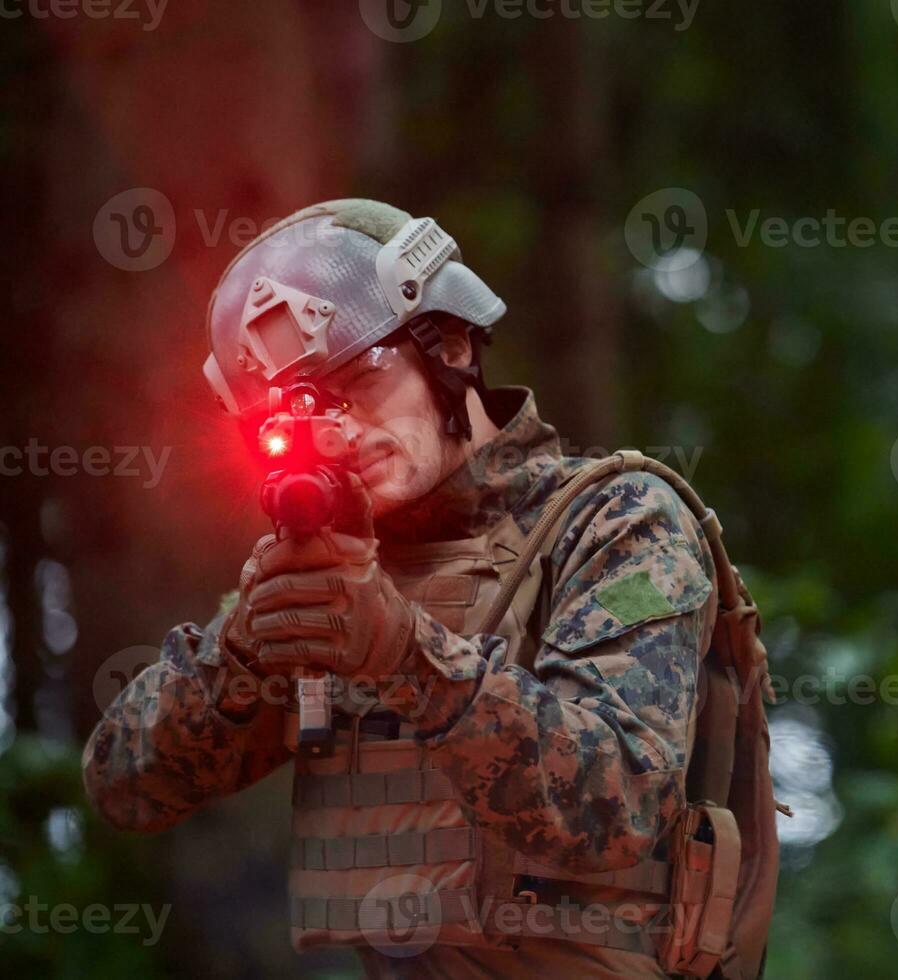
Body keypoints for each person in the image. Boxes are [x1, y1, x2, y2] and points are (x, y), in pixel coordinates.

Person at [82, 199, 724, 978]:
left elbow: (617, 803)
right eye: (297, 413)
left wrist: (404, 656)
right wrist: (242, 656)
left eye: (358, 377)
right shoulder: (338, 564)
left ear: (449, 342)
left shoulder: (618, 523)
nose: (339, 430)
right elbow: (125, 784)